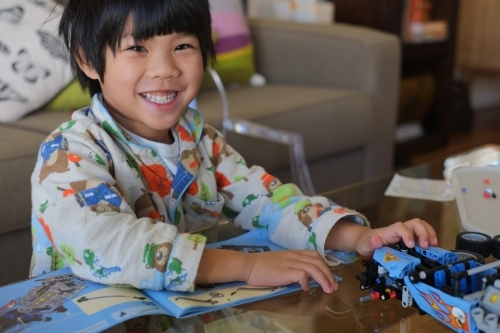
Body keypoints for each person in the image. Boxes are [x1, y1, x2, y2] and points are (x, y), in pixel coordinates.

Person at [30, 0, 437, 294]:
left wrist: (359, 239)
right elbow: (107, 241)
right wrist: (248, 265)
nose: (166, 69)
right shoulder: (67, 154)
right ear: (87, 59)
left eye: (183, 46)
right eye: (137, 48)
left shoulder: (199, 139)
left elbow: (264, 200)